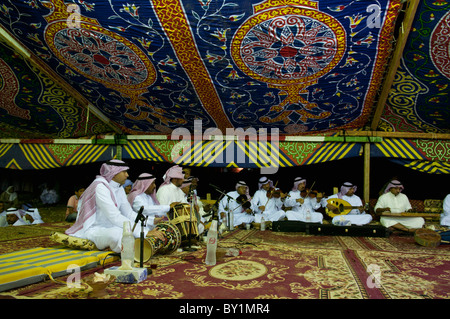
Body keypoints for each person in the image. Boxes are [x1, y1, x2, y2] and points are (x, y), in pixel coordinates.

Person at [65, 160, 164, 253]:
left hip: (111, 226)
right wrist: (144, 233)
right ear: (114, 173)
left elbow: (128, 213)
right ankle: (135, 253)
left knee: (130, 232)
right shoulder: (100, 187)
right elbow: (114, 216)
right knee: (119, 235)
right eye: (124, 172)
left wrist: (148, 221)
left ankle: (136, 249)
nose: (127, 175)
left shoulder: (119, 188)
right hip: (94, 229)